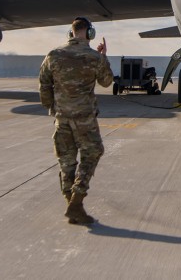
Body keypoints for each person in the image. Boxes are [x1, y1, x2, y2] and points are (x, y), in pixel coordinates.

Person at [39, 17, 114, 225]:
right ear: (89, 33)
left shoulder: (53, 55)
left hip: (62, 117)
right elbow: (107, 82)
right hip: (85, 118)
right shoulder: (94, 57)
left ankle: (71, 204)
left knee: (66, 161)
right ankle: (77, 199)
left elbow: (44, 85)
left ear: (71, 33)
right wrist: (103, 57)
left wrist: (53, 108)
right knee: (93, 152)